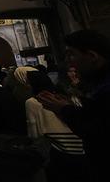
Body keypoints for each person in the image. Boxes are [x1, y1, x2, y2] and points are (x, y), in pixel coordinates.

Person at [38, 29, 110, 180]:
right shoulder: (96, 85)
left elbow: (98, 131)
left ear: (92, 56)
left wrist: (64, 109)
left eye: (71, 54)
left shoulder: (104, 88)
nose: (68, 61)